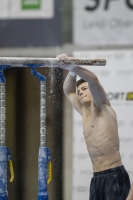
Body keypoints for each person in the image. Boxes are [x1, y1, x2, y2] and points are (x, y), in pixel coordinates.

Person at [56, 53, 131, 200]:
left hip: (114, 175)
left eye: (84, 89)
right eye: (79, 92)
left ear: (92, 90)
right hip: (96, 178)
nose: (80, 93)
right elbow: (68, 91)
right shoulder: (84, 112)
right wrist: (71, 72)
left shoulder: (102, 107)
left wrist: (73, 65)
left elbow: (93, 79)